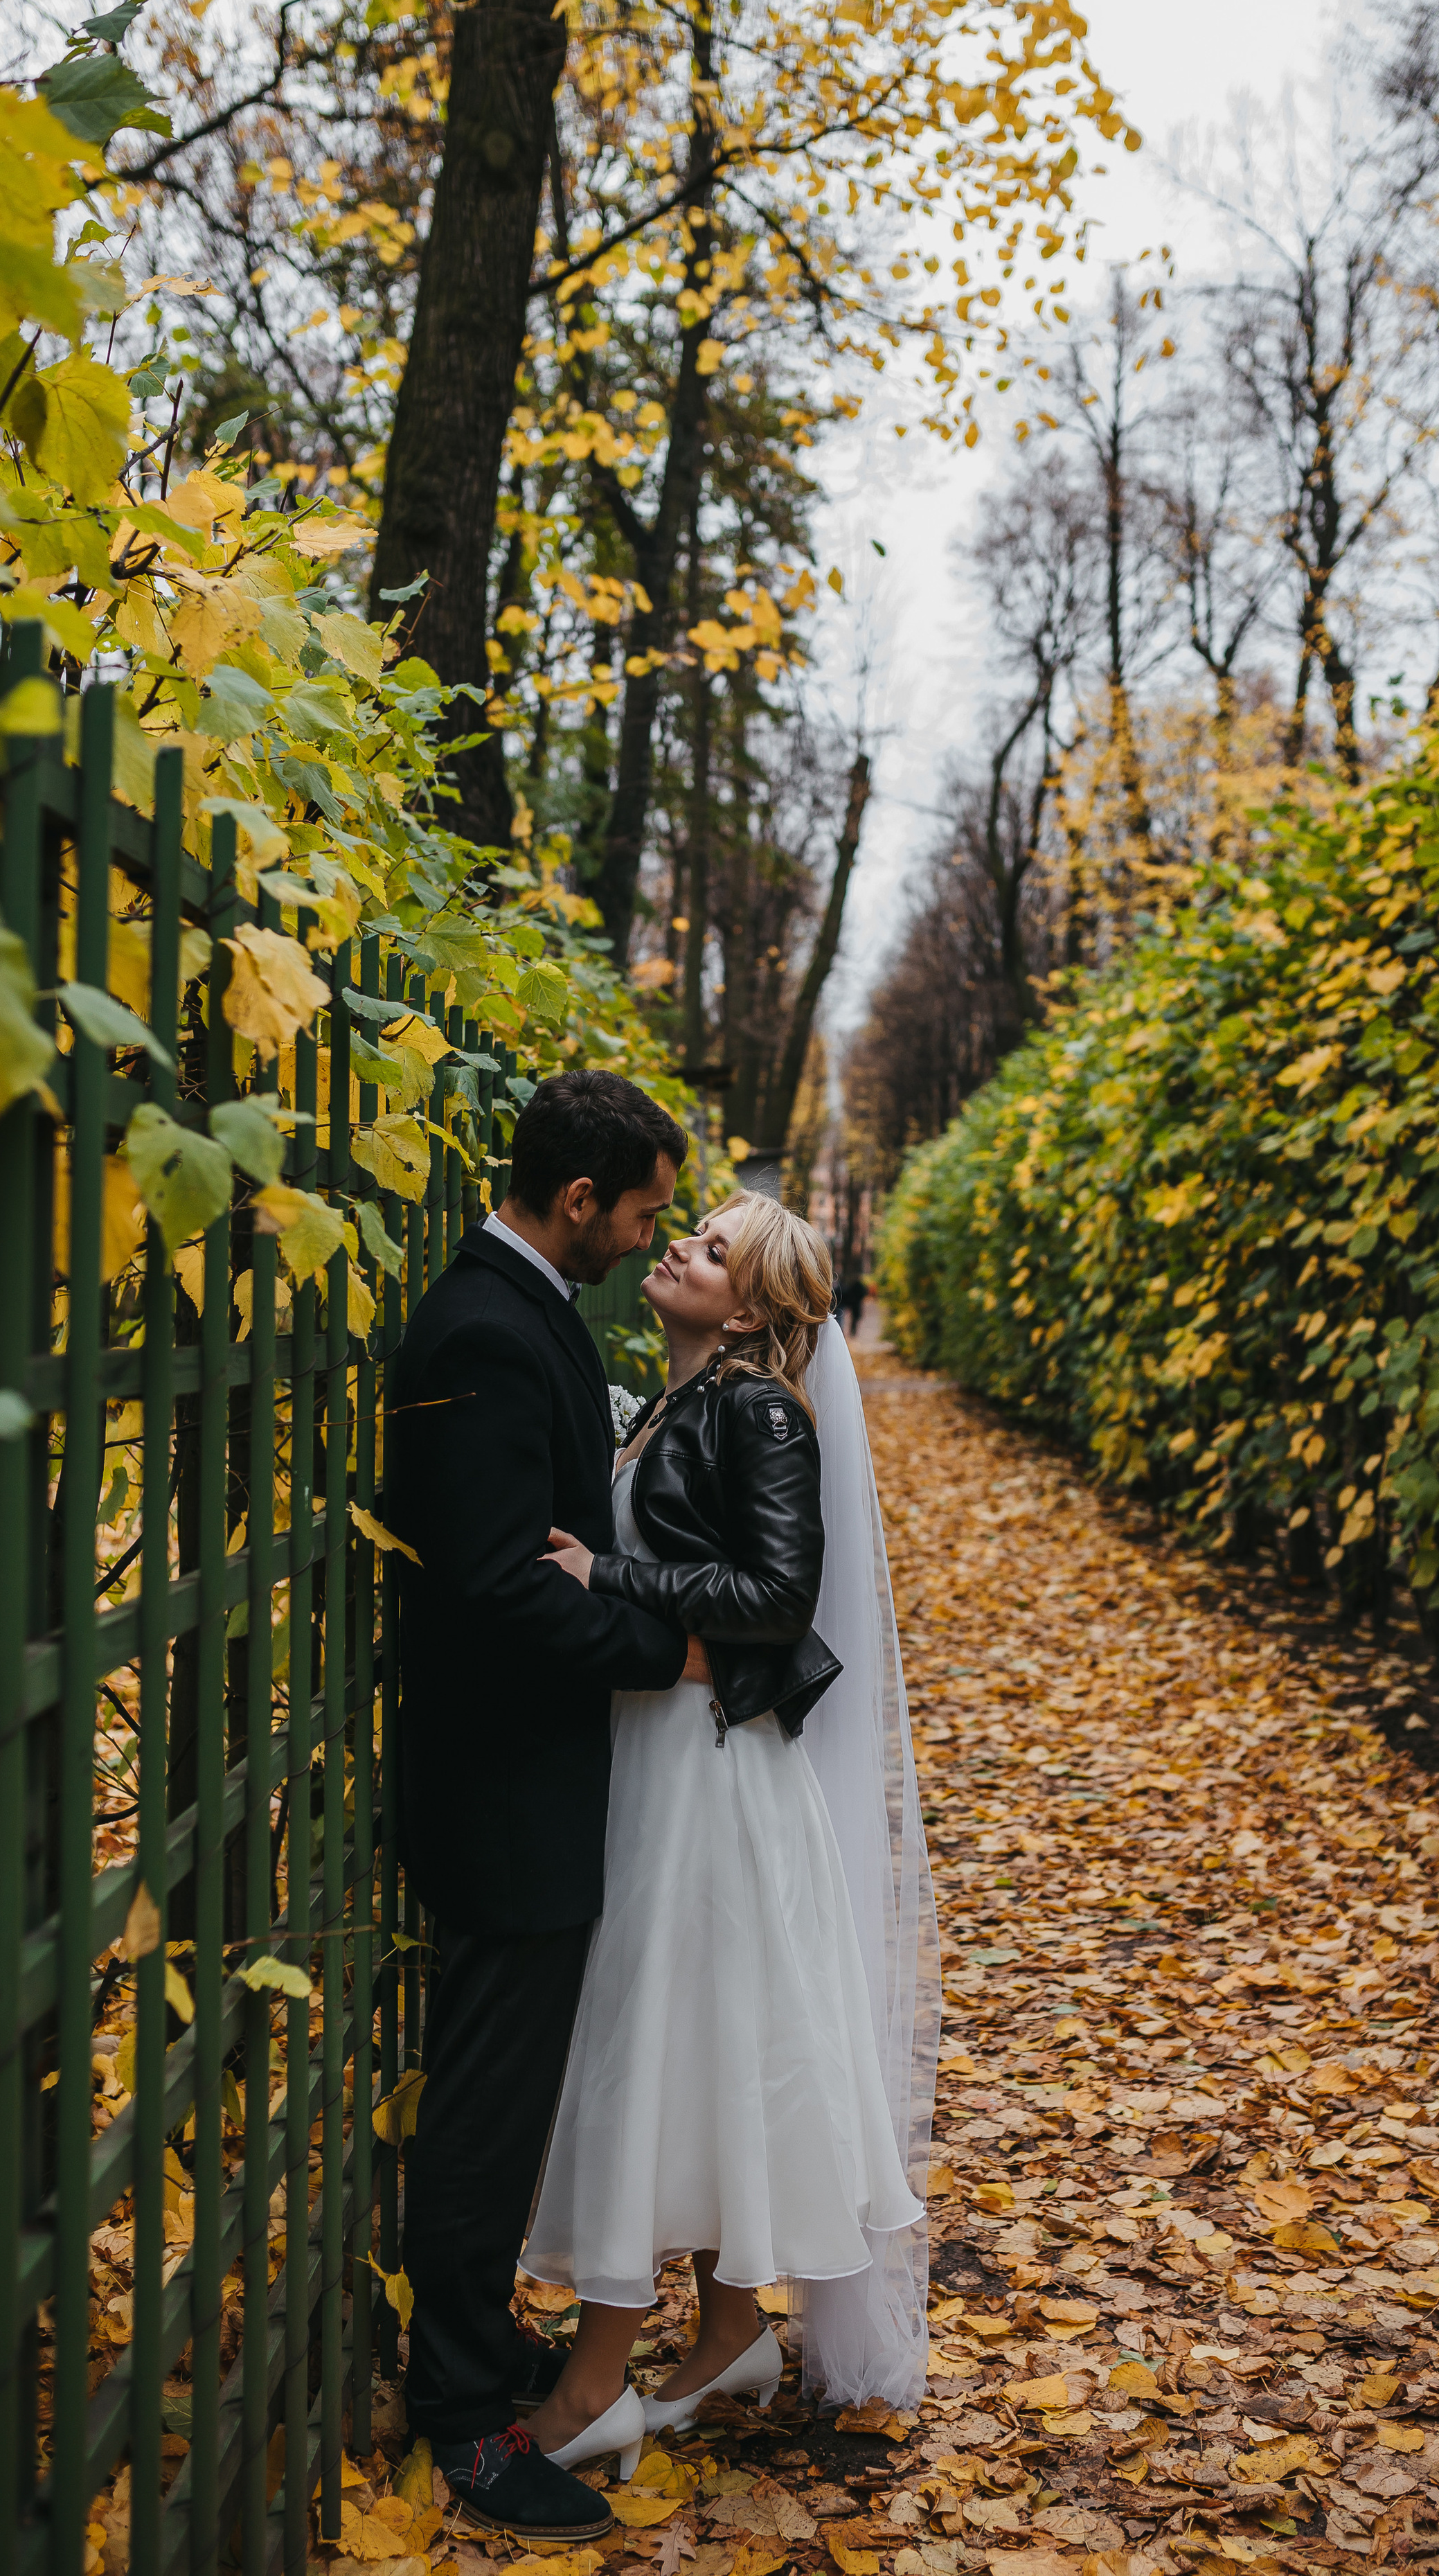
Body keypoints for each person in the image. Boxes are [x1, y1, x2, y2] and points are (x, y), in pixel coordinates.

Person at [517, 1191, 941, 2479]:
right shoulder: (675, 1403)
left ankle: (596, 2384)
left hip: (711, 1777)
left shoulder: (757, 1411)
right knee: (704, 2042)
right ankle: (736, 2330)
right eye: (685, 1231)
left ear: (748, 1306)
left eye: (706, 1249)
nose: (674, 1250)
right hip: (666, 1761)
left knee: (660, 2038)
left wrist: (612, 1574)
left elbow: (776, 1592)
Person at [385, 1071, 692, 2546]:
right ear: (578, 1199)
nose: (645, 1237)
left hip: (530, 1781)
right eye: (639, 1211)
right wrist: (669, 1650)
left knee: (496, 2110)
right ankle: (461, 2418)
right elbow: (501, 1583)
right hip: (504, 1790)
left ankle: (475, 2351)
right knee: (482, 2118)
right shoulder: (484, 1331)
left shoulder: (520, 1312)